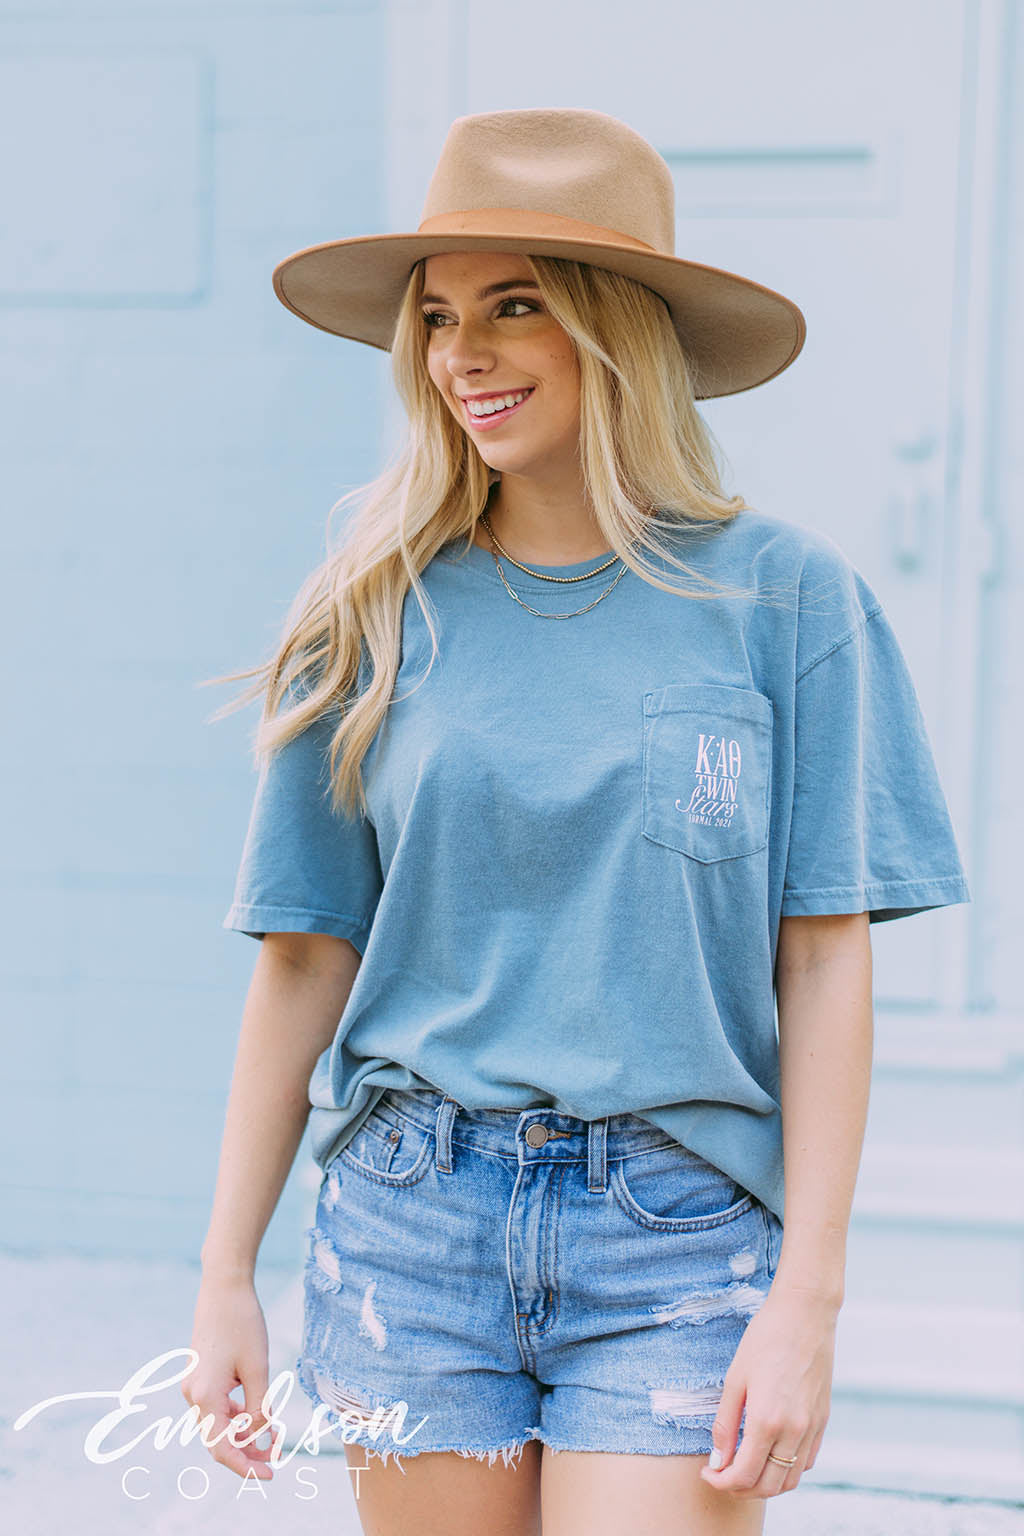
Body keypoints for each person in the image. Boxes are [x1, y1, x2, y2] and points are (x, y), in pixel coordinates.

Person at [185, 108, 971, 1535]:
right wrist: (224, 1272)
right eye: (437, 317)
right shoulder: (371, 611)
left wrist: (810, 1298)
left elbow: (822, 961)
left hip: (678, 1228)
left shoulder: (787, 602)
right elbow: (304, 957)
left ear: (618, 331)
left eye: (514, 306)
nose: (460, 356)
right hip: (411, 1216)